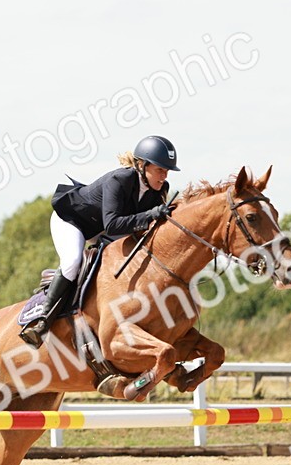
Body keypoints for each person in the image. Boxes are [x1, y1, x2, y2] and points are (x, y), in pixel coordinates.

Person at [19, 135, 180, 347]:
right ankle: (42, 322)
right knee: (73, 261)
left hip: (102, 227)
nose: (164, 175)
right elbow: (113, 224)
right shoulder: (120, 180)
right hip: (73, 220)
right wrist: (150, 215)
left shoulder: (160, 189)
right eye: (160, 169)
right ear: (142, 165)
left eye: (167, 171)